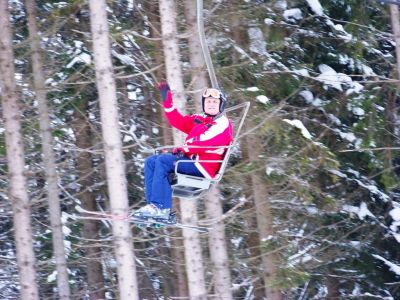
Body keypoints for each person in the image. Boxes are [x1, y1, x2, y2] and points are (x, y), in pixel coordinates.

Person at [133, 81, 233, 220]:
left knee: (162, 161)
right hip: (191, 162)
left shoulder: (222, 124)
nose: (211, 104)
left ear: (221, 105)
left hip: (203, 166)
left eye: (215, 102)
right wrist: (168, 104)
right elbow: (178, 121)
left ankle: (161, 208)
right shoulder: (201, 119)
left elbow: (205, 143)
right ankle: (153, 206)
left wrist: (184, 149)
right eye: (208, 101)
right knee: (151, 161)